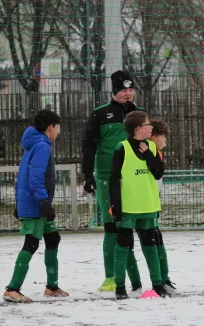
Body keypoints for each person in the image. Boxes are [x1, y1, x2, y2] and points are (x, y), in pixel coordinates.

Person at [81, 70, 142, 293]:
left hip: (134, 178)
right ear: (114, 91)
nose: (128, 94)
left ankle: (135, 280)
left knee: (128, 227)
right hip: (107, 178)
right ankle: (111, 277)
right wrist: (88, 175)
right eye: (123, 90)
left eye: (130, 89)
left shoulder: (140, 114)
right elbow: (89, 146)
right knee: (111, 226)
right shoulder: (100, 114)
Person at [3, 109, 69, 303]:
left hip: (33, 202)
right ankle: (12, 289)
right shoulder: (42, 146)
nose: (59, 132)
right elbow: (34, 178)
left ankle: (52, 287)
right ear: (50, 128)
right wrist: (43, 202)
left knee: (53, 239)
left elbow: (21, 175)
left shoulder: (32, 144)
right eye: (58, 128)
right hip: (36, 205)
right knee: (31, 244)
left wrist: (18, 202)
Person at [109, 111, 171, 300]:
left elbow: (158, 173)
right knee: (122, 247)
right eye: (147, 124)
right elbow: (114, 178)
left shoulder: (151, 147)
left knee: (150, 247)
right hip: (129, 208)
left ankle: (157, 284)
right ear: (138, 129)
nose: (151, 127)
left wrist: (149, 157)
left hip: (149, 207)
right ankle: (120, 287)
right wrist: (115, 205)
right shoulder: (122, 148)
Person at [149, 120, 176, 294]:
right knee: (152, 240)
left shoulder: (157, 154)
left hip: (153, 202)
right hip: (145, 204)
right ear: (153, 137)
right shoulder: (148, 153)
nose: (165, 140)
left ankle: (163, 278)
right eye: (162, 136)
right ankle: (159, 280)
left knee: (156, 238)